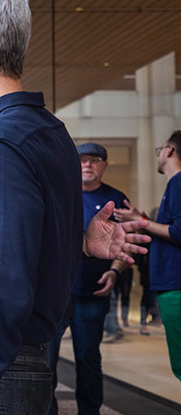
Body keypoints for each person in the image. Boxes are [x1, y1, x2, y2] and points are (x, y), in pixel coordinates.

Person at [0, 0, 148, 414]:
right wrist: (79, 242)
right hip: (17, 366)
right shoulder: (47, 129)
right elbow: (20, 250)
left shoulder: (0, 142)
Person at [47, 143, 130, 415]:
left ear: (104, 165)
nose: (88, 165)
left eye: (95, 160)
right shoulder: (60, 194)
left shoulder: (115, 199)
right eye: (82, 160)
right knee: (46, 360)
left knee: (88, 358)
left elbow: (126, 242)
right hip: (55, 294)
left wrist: (115, 271)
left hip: (93, 292)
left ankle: (90, 411)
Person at [115, 130, 181, 383]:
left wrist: (139, 221)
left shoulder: (178, 183)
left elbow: (178, 232)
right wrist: (144, 221)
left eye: (159, 150)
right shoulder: (173, 185)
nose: (159, 155)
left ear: (169, 151)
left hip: (176, 285)